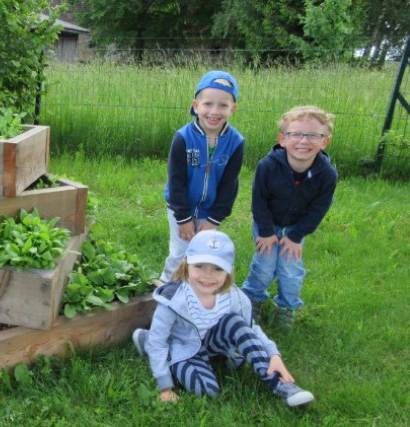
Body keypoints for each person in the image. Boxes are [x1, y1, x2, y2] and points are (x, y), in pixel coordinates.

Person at [133, 230, 314, 407]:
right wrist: (165, 386)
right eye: (199, 266)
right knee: (208, 390)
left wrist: (274, 354)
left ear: (229, 271)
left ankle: (279, 384)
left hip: (215, 344)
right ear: (186, 264)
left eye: (218, 268)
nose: (207, 275)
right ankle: (147, 340)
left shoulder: (234, 297)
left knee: (235, 321)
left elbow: (250, 329)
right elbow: (159, 343)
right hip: (184, 348)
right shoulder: (172, 300)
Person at [241, 106, 338, 329]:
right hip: (267, 224)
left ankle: (287, 306)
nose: (304, 141)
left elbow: (319, 209)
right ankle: (252, 297)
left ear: (325, 142)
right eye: (296, 134)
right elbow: (259, 201)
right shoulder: (267, 166)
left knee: (290, 268)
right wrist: (265, 232)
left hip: (296, 228)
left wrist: (296, 236)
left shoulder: (327, 175)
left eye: (313, 135)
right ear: (283, 139)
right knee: (265, 264)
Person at [159, 70, 245, 285]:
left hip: (209, 212)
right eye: (208, 104)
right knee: (180, 252)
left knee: (201, 254)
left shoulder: (236, 142)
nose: (214, 111)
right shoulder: (183, 138)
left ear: (232, 109)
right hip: (181, 207)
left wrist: (214, 218)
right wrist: (184, 218)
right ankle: (165, 288)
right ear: (196, 106)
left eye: (223, 106)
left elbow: (229, 185)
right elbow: (176, 180)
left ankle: (193, 291)